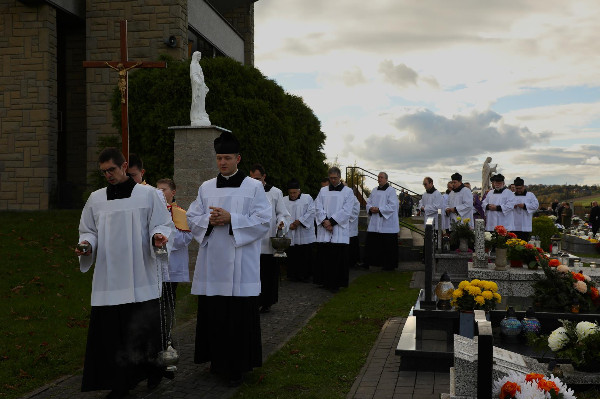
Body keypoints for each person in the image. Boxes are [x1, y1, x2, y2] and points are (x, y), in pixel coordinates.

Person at [76, 148, 174, 399]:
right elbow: (88, 231)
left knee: (142, 329)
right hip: (109, 277)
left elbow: (162, 223)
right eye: (103, 172)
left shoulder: (149, 194)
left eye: (111, 169)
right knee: (111, 333)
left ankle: (152, 370)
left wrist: (158, 236)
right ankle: (119, 383)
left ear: (124, 166)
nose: (108, 175)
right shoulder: (96, 199)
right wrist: (86, 245)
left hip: (140, 272)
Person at [187, 132, 271, 386]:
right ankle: (216, 361)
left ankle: (237, 365)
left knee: (237, 318)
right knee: (215, 315)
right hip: (213, 263)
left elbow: (264, 221)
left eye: (227, 157)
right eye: (219, 158)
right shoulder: (205, 187)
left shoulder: (254, 187)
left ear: (238, 158)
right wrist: (209, 221)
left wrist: (232, 219)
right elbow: (192, 217)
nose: (222, 162)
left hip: (240, 264)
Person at [156, 178, 193, 359]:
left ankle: (167, 335)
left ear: (173, 192)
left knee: (167, 303)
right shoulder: (153, 212)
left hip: (172, 268)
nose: (160, 193)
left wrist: (165, 235)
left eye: (164, 190)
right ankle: (156, 335)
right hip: (154, 267)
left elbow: (185, 239)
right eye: (158, 190)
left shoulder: (179, 213)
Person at [249, 163, 291, 313]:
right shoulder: (247, 191)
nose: (255, 181)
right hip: (251, 240)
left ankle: (266, 302)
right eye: (252, 178)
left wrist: (281, 222)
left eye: (258, 178)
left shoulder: (275, 192)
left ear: (264, 177)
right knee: (252, 273)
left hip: (268, 240)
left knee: (267, 273)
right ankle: (252, 301)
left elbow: (282, 213)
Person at [314, 167, 355, 291]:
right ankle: (324, 281)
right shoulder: (323, 190)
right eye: (331, 178)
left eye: (335, 178)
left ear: (339, 177)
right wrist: (325, 222)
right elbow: (317, 207)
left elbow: (347, 210)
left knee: (337, 258)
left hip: (338, 229)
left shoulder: (348, 192)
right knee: (325, 257)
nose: (332, 180)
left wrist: (331, 221)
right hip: (325, 228)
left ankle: (336, 283)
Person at [365, 172, 400, 270]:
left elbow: (393, 205)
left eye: (381, 177)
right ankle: (373, 262)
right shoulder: (374, 190)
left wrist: (379, 209)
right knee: (373, 244)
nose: (379, 179)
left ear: (386, 179)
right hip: (375, 221)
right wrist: (371, 208)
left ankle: (389, 265)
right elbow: (368, 202)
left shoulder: (391, 191)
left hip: (387, 223)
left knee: (388, 246)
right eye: (378, 177)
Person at [283, 178, 316, 282]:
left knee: (305, 254)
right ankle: (292, 275)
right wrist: (289, 225)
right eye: (290, 193)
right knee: (292, 255)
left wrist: (300, 221)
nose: (292, 195)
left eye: (294, 192)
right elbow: (281, 215)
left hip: (304, 232)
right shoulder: (283, 200)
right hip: (291, 231)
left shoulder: (307, 198)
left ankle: (305, 275)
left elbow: (312, 211)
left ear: (299, 191)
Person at [512, 177, 539, 241]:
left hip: (525, 224)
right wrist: (511, 206)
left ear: (523, 187)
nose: (518, 190)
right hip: (513, 225)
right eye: (517, 188)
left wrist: (524, 206)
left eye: (520, 188)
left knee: (524, 244)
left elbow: (536, 206)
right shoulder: (511, 195)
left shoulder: (530, 195)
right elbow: (505, 207)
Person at [190, 51, 211, 126]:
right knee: (197, 100)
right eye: (199, 56)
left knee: (202, 101)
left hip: (201, 85)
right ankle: (197, 116)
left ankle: (201, 114)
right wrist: (198, 82)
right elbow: (193, 75)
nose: (200, 58)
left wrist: (203, 84)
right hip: (197, 85)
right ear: (196, 56)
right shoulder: (193, 65)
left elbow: (201, 75)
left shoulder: (198, 65)